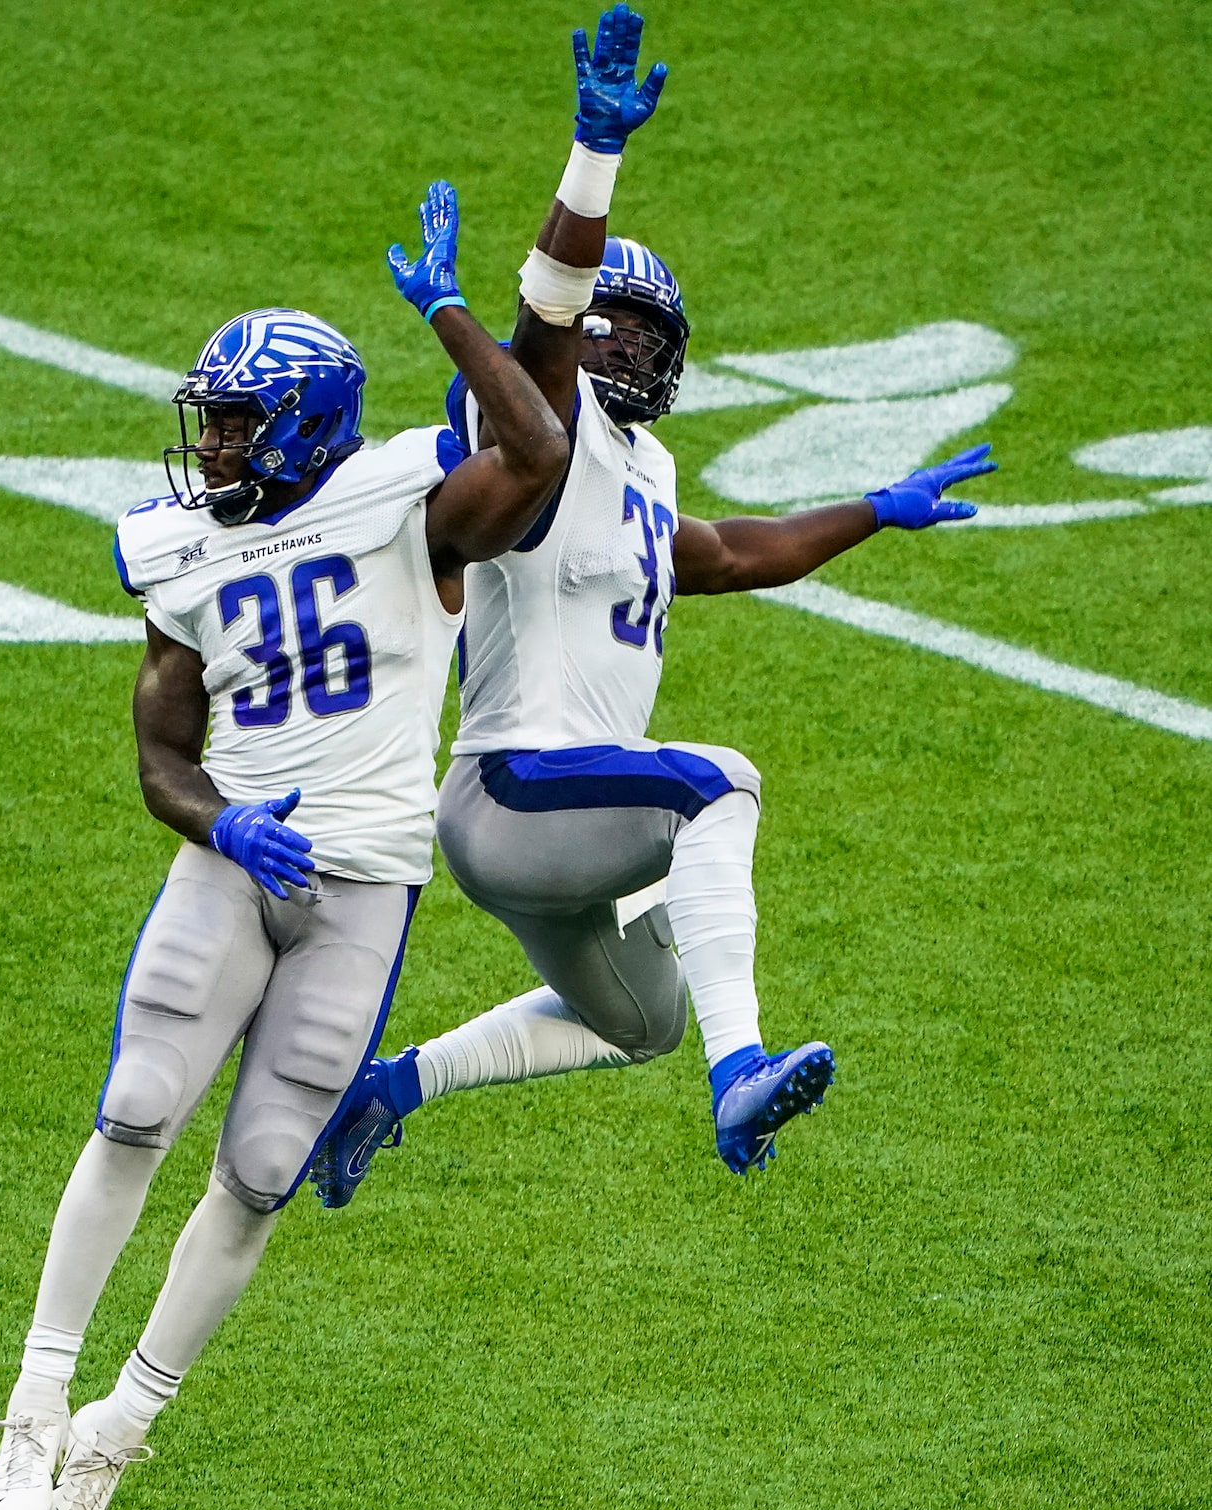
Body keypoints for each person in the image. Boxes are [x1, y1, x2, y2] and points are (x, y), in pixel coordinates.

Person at [0, 180, 569, 1510]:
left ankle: (119, 1428)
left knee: (267, 1165)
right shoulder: (178, 549)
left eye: (231, 421)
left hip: (362, 882)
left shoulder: (400, 502)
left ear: (297, 423)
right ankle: (39, 1398)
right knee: (133, 1108)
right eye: (212, 419)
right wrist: (218, 824)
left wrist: (454, 314)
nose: (210, 445)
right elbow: (161, 754)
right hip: (239, 869)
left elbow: (532, 446)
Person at [312, 7, 996, 1204]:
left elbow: (728, 553)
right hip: (514, 786)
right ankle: (744, 1070)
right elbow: (545, 312)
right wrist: (594, 153)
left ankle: (390, 1087)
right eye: (606, 327)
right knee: (714, 784)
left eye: (644, 331)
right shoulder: (539, 430)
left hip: (564, 818)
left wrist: (874, 510)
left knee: (636, 1022)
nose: (621, 344)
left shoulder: (642, 469)